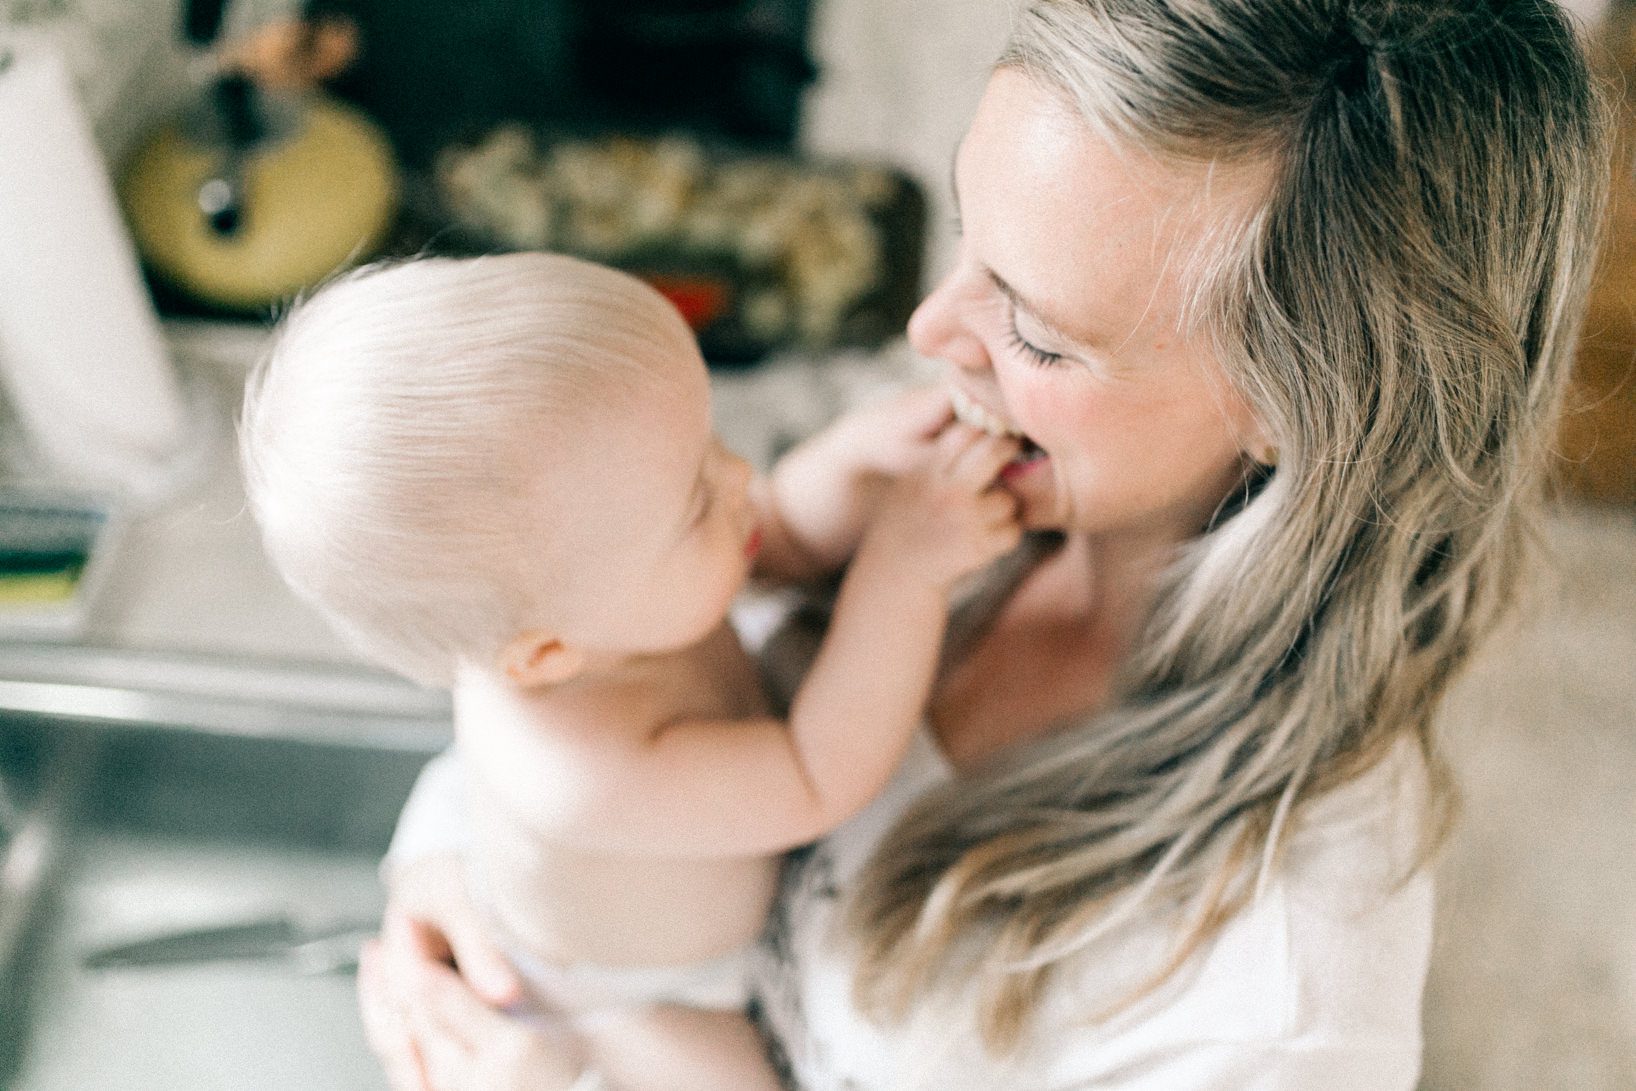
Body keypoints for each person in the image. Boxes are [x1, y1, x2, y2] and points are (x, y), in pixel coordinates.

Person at [357, 1, 1611, 1088]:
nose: (930, 328)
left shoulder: (1272, 1009)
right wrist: (462, 886)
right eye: (973, 237)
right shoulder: (962, 461)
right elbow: (597, 665)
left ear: (1306, 406)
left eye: (1044, 334)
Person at [238, 252, 1023, 1091]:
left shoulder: (602, 587)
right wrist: (902, 571)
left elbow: (776, 532)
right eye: (694, 501)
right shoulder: (578, 773)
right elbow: (813, 772)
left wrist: (852, 460)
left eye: (710, 440)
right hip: (631, 994)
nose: (740, 477)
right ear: (547, 655)